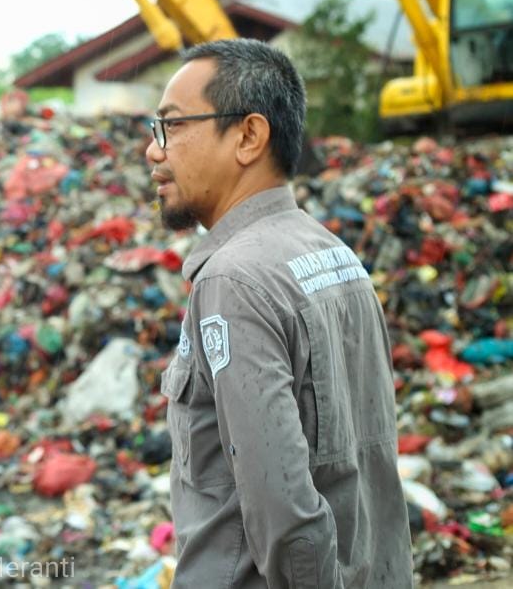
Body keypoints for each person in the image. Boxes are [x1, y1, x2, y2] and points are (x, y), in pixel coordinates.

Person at [148, 39, 412, 588]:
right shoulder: (334, 255)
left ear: (248, 136)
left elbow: (283, 508)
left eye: (171, 127)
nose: (154, 151)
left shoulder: (233, 281)